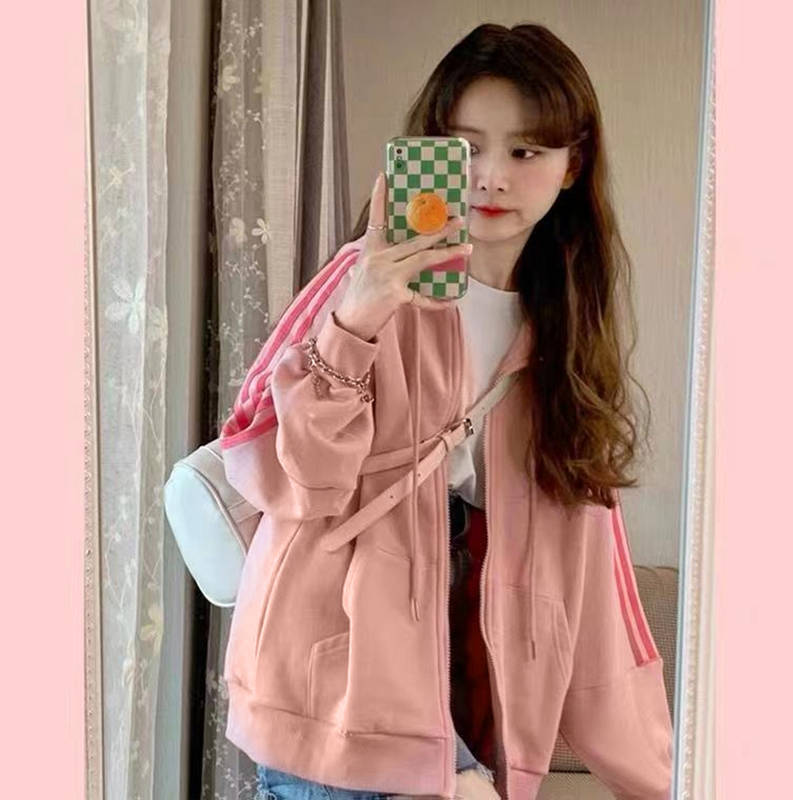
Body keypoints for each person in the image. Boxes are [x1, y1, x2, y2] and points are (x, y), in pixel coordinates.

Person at [219, 22, 673, 800]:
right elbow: (298, 481)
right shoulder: (360, 281)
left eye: (526, 151)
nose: (491, 177)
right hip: (336, 702)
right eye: (466, 148)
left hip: (469, 707)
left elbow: (593, 568)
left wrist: (663, 775)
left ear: (572, 164)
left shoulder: (564, 328)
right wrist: (357, 318)